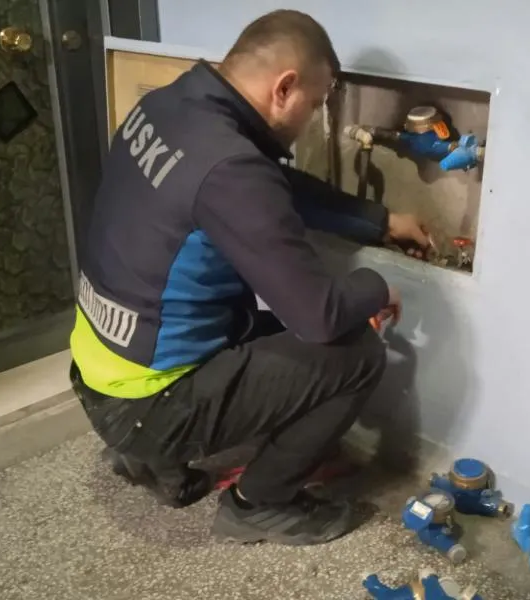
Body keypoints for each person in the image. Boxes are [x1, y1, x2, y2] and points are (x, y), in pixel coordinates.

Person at [69, 9, 431, 546]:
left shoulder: (166, 106)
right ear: (284, 88)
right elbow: (320, 316)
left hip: (96, 369)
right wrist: (377, 287)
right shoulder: (233, 170)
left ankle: (148, 460)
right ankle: (259, 504)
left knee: (255, 313)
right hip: (145, 407)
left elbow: (271, 186)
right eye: (315, 102)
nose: (312, 118)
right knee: (354, 353)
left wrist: (379, 221)